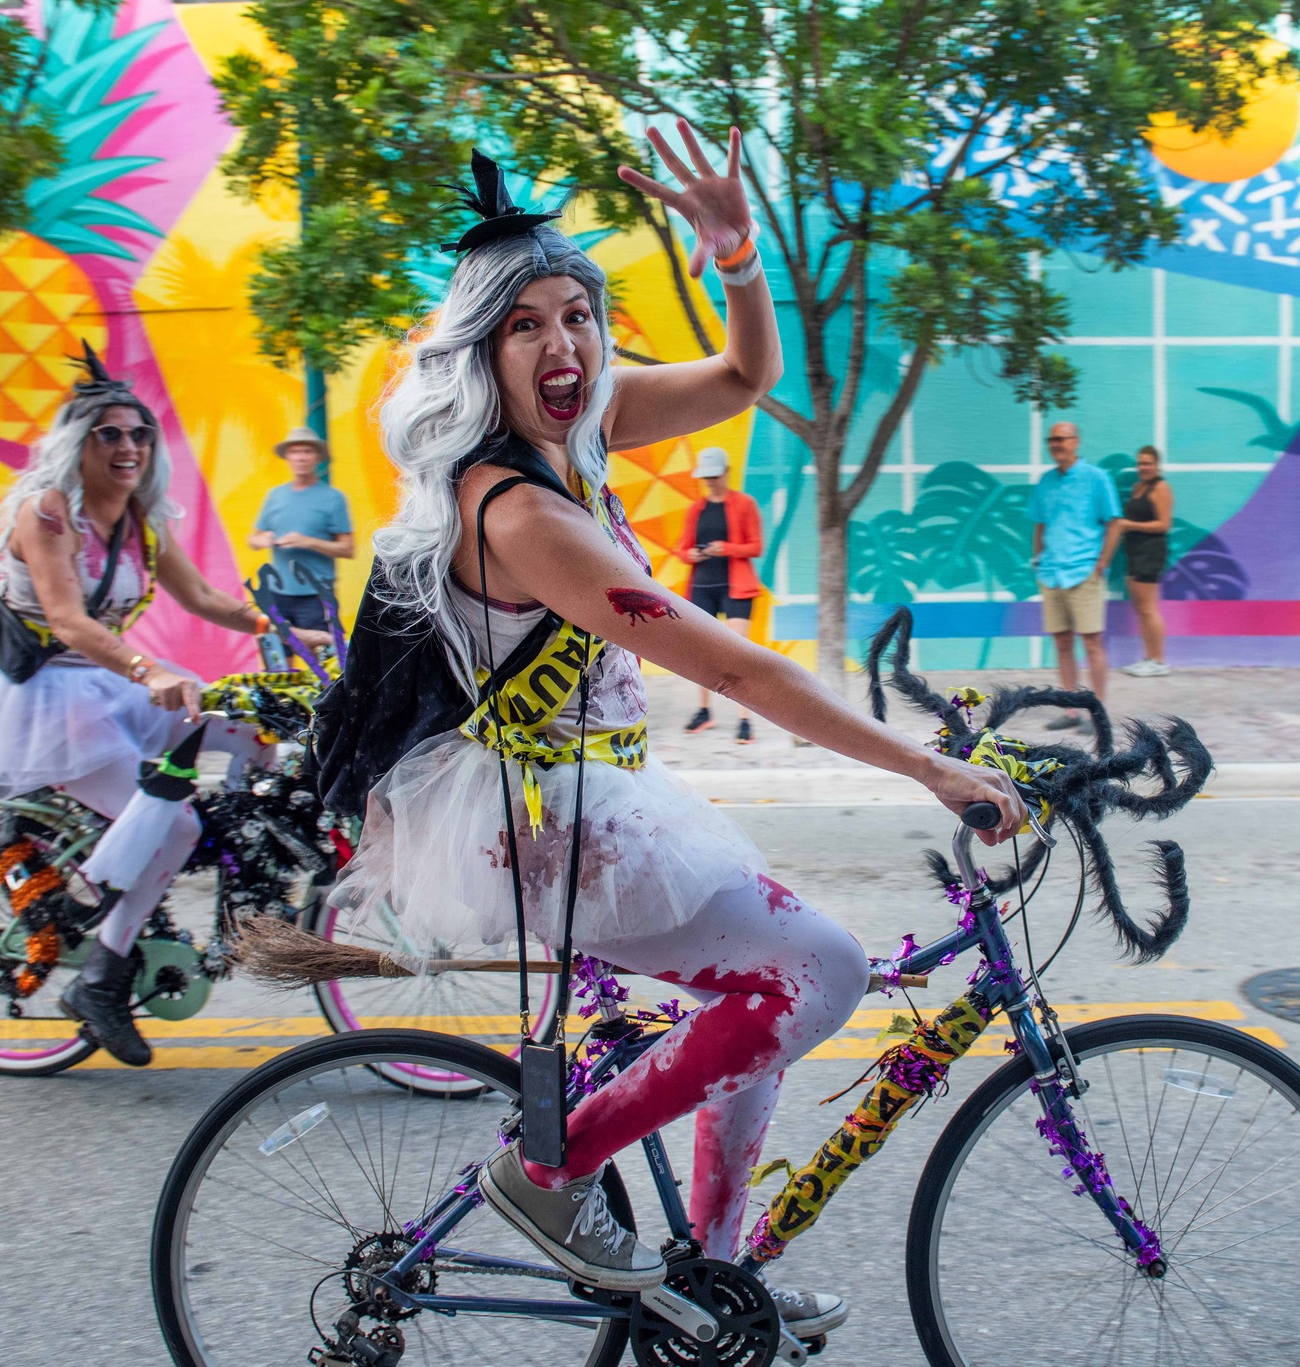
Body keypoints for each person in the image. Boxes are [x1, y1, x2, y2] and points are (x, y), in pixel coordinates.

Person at [329, 132, 1021, 1337]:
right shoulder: (519, 511)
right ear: (480, 353)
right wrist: (923, 765)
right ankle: (550, 1169)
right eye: (525, 326)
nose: (564, 345)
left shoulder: (579, 433)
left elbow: (744, 375)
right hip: (540, 822)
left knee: (761, 991)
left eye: (578, 316)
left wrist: (736, 253)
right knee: (820, 970)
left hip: (590, 797)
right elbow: (733, 666)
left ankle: (713, 1276)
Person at [0, 352, 328, 1066]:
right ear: (77, 442)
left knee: (253, 731)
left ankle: (246, 882)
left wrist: (282, 631)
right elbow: (67, 620)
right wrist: (153, 669)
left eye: (140, 434)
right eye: (109, 434)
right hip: (48, 704)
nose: (129, 447)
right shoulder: (48, 512)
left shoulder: (140, 517)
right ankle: (101, 979)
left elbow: (202, 597)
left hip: (109, 685)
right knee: (173, 825)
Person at [1029, 421, 1119, 728]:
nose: (1056, 444)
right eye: (1052, 439)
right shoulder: (1045, 481)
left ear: (1076, 441)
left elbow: (1114, 522)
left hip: (1084, 571)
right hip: (1051, 573)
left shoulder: (1096, 478)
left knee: (1092, 643)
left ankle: (1099, 713)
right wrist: (1038, 559)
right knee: (1062, 642)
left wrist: (1102, 561)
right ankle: (1071, 711)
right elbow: (1040, 524)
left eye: (1062, 439)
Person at [674, 445, 765, 743]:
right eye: (706, 476)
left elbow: (756, 547)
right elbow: (681, 548)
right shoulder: (696, 509)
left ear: (726, 473)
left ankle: (745, 718)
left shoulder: (745, 504)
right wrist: (691, 554)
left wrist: (724, 548)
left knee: (739, 655)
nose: (711, 481)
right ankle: (704, 712)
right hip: (702, 587)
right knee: (702, 655)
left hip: (737, 587)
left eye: (715, 475)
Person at [247, 425, 354, 631]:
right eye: (295, 451)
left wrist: (308, 542)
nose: (301, 457)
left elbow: (348, 549)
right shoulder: (275, 495)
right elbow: (253, 539)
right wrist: (262, 540)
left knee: (319, 650)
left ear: (318, 457)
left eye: (307, 451)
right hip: (276, 593)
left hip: (316, 596)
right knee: (277, 649)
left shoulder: (333, 498)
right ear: (287, 457)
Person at [1101, 444, 1174, 677]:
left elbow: (1164, 524)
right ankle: (1148, 658)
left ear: (1157, 465)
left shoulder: (1161, 488)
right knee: (1142, 609)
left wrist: (1128, 525)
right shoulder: (1138, 487)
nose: (1143, 467)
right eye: (1140, 463)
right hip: (1134, 552)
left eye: (1148, 463)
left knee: (1149, 608)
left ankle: (1159, 661)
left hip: (1150, 553)